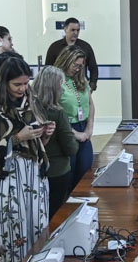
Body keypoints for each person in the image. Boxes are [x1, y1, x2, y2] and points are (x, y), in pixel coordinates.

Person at [0, 56, 51, 262]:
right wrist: (18, 138)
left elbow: (37, 142)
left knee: (39, 228)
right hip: (9, 175)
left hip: (34, 173)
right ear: (4, 82)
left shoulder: (31, 99)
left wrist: (45, 133)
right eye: (17, 84)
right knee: (13, 233)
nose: (23, 88)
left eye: (26, 83)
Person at [31, 66, 81, 219]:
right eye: (61, 85)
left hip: (34, 172)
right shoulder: (57, 113)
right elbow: (71, 148)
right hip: (57, 172)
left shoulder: (29, 110)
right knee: (55, 216)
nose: (63, 89)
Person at [55, 46, 96, 188]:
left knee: (85, 169)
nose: (77, 69)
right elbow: (52, 112)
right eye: (75, 65)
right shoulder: (56, 81)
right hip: (66, 129)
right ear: (66, 61)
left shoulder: (81, 79)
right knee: (68, 174)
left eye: (80, 66)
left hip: (83, 127)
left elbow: (90, 103)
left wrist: (89, 128)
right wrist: (74, 134)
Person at [44, 17, 99, 90]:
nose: (76, 33)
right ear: (65, 29)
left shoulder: (85, 46)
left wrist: (92, 85)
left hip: (80, 86)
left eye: (78, 30)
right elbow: (48, 69)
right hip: (60, 87)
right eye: (73, 30)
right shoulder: (55, 47)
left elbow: (93, 68)